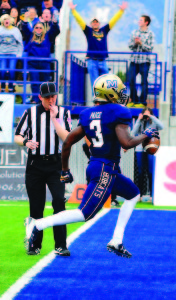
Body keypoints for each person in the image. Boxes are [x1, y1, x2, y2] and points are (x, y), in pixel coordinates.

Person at [24, 74, 159, 258]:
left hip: (98, 166)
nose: (121, 95)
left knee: (133, 193)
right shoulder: (118, 112)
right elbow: (126, 143)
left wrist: (65, 170)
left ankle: (117, 241)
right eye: (118, 91)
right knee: (84, 213)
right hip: (104, 168)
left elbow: (68, 142)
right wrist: (146, 134)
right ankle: (37, 224)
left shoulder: (88, 113)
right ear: (111, 94)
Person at [15, 82, 72, 256]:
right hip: (35, 165)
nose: (51, 99)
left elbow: (67, 138)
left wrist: (55, 119)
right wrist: (26, 142)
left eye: (53, 96)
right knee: (36, 206)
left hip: (56, 164)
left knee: (58, 202)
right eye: (47, 97)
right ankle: (35, 244)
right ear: (40, 97)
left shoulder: (63, 113)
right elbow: (17, 135)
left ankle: (60, 245)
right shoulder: (30, 113)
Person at [69, 1, 128, 94]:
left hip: (102, 60)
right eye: (93, 22)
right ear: (91, 24)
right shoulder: (88, 31)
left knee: (106, 82)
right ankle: (96, 100)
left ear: (99, 23)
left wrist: (121, 11)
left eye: (97, 22)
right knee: (95, 83)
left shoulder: (104, 30)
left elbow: (113, 21)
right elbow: (80, 21)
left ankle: (105, 99)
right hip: (92, 60)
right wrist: (73, 11)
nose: (95, 23)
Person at [22, 11, 60, 103]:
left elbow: (55, 31)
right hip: (33, 64)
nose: (38, 29)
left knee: (45, 84)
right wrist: (25, 20)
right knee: (34, 83)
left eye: (40, 28)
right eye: (36, 28)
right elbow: (25, 29)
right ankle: (35, 99)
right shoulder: (30, 36)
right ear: (34, 29)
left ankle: (44, 101)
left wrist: (55, 23)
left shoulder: (48, 36)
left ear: (43, 29)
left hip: (45, 64)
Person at [132, 108, 163, 201]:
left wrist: (152, 117)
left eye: (148, 114)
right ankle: (139, 195)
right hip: (140, 148)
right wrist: (139, 120)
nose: (146, 116)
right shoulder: (140, 122)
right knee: (140, 172)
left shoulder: (154, 122)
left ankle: (152, 195)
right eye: (145, 114)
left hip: (151, 147)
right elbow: (133, 133)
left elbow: (162, 127)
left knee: (150, 171)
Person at [128, 15, 154, 108]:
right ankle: (134, 100)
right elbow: (130, 46)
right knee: (131, 80)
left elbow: (150, 48)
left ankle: (142, 102)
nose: (139, 21)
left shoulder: (150, 34)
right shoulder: (134, 32)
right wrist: (135, 43)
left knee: (144, 82)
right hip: (134, 60)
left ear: (146, 22)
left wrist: (141, 43)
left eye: (141, 20)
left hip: (144, 61)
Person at [0, 13, 23, 92]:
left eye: (7, 19)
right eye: (4, 19)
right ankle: (2, 87)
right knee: (2, 70)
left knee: (12, 70)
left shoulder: (15, 30)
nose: (6, 21)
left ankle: (11, 87)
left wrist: (19, 54)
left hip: (13, 53)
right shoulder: (0, 29)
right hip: (2, 53)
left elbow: (20, 43)